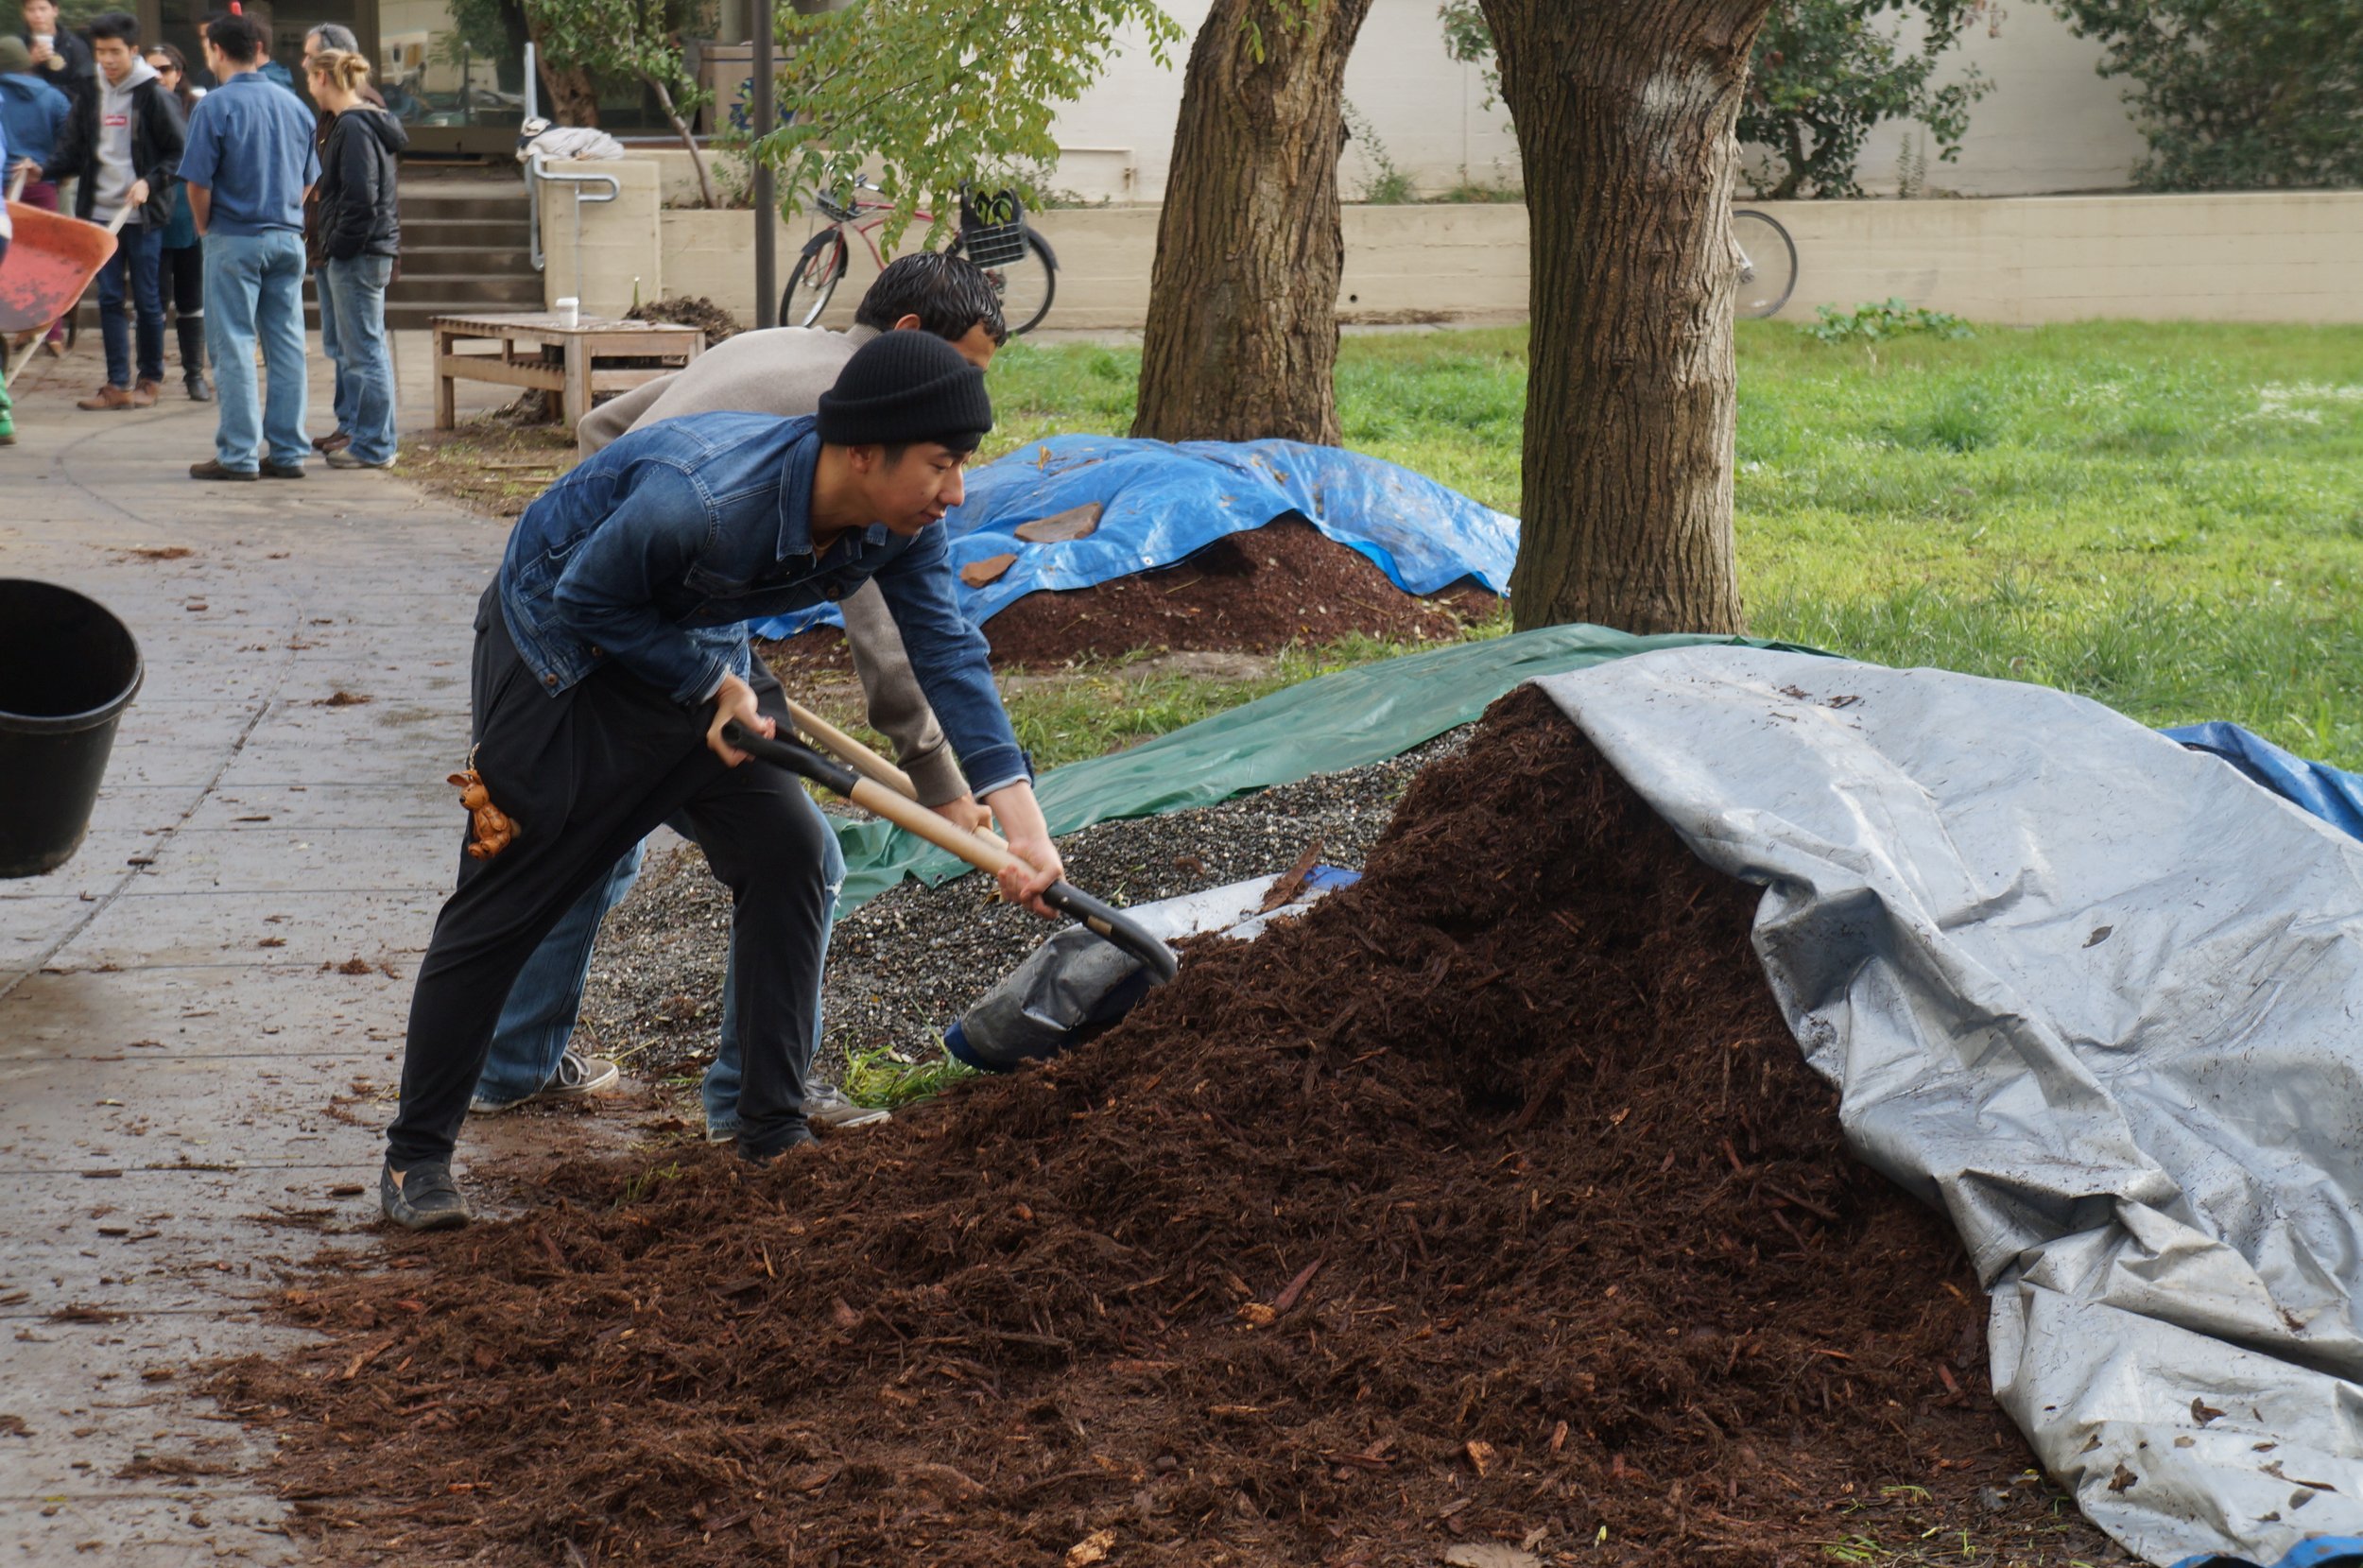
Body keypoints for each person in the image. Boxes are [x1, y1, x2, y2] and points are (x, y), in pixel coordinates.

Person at [380, 330, 1066, 1231]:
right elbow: (588, 595)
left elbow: (947, 653)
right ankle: (416, 1158)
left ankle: (767, 1124)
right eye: (942, 464)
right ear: (864, 452)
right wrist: (711, 682)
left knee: (791, 854)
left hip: (695, 637)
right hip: (565, 650)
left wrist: (1024, 830)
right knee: (511, 893)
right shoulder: (702, 501)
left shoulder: (894, 527)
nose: (958, 491)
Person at [474, 253, 1008, 1141]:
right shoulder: (855, 425)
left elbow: (608, 430)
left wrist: (640, 550)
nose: (965, 400)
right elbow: (888, 640)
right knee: (590, 842)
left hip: (677, 611)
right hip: (577, 625)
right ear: (911, 342)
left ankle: (550, 1070)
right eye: (964, 370)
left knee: (723, 849)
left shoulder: (774, 343)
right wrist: (935, 775)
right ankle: (740, 1093)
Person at [178, 9, 315, 481]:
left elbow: (197, 183)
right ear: (259, 49)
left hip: (233, 236)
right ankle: (289, 451)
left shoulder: (213, 106)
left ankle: (238, 454)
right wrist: (286, 213)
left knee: (234, 344)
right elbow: (308, 179)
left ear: (215, 50)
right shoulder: (295, 106)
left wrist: (204, 227)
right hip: (287, 237)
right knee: (287, 344)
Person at [40, 11, 183, 411]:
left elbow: (179, 154)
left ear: (133, 50)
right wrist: (42, 170)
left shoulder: (153, 95)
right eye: (100, 51)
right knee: (108, 297)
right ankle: (116, 383)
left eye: (115, 52)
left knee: (148, 300)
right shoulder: (90, 92)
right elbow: (72, 151)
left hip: (142, 215)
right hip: (100, 216)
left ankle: (149, 378)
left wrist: (149, 182)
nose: (107, 60)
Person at [306, 45, 401, 469]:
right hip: (363, 251)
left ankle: (375, 445)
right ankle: (369, 439)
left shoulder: (353, 126)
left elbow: (362, 198)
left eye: (309, 77)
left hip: (359, 254)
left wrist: (339, 245)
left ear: (323, 78)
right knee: (363, 349)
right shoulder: (359, 122)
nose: (309, 87)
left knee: (365, 352)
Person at [145, 43, 208, 401]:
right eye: (150, 68)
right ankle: (149, 376)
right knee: (152, 301)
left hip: (187, 212)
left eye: (165, 69)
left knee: (191, 298)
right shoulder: (135, 105)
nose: (158, 75)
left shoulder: (196, 108)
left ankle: (194, 374)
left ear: (178, 73)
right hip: (149, 213)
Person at [0, 34, 70, 358]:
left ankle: (14, 326)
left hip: (4, 189)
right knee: (47, 259)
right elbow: (69, 141)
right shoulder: (54, 97)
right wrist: (54, 171)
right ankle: (51, 331)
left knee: (9, 260)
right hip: (42, 184)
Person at [12, 0, 91, 112]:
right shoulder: (16, 46)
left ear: (55, 11)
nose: (37, 15)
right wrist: (29, 62)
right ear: (24, 13)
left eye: (42, 9)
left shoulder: (74, 46)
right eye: (31, 10)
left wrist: (45, 93)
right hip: (25, 114)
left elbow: (85, 90)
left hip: (65, 115)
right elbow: (6, 87)